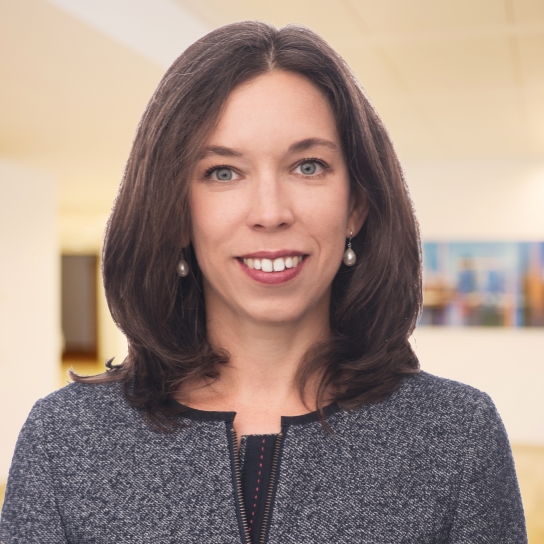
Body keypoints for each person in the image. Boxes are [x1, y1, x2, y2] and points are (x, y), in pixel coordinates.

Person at [0, 21, 527, 543]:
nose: (270, 213)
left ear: (357, 205)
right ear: (175, 212)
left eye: (308, 166)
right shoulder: (64, 439)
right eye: (223, 172)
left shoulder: (458, 436)